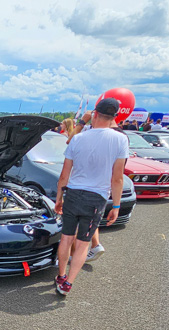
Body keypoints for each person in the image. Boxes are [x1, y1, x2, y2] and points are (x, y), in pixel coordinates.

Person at [53, 98, 128, 296]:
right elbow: (118, 178)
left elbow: (64, 174)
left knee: (66, 238)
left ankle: (60, 275)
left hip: (74, 194)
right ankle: (68, 283)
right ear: (115, 117)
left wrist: (59, 198)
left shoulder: (78, 138)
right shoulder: (121, 139)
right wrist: (117, 206)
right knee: (84, 242)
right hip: (97, 198)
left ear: (95, 114)